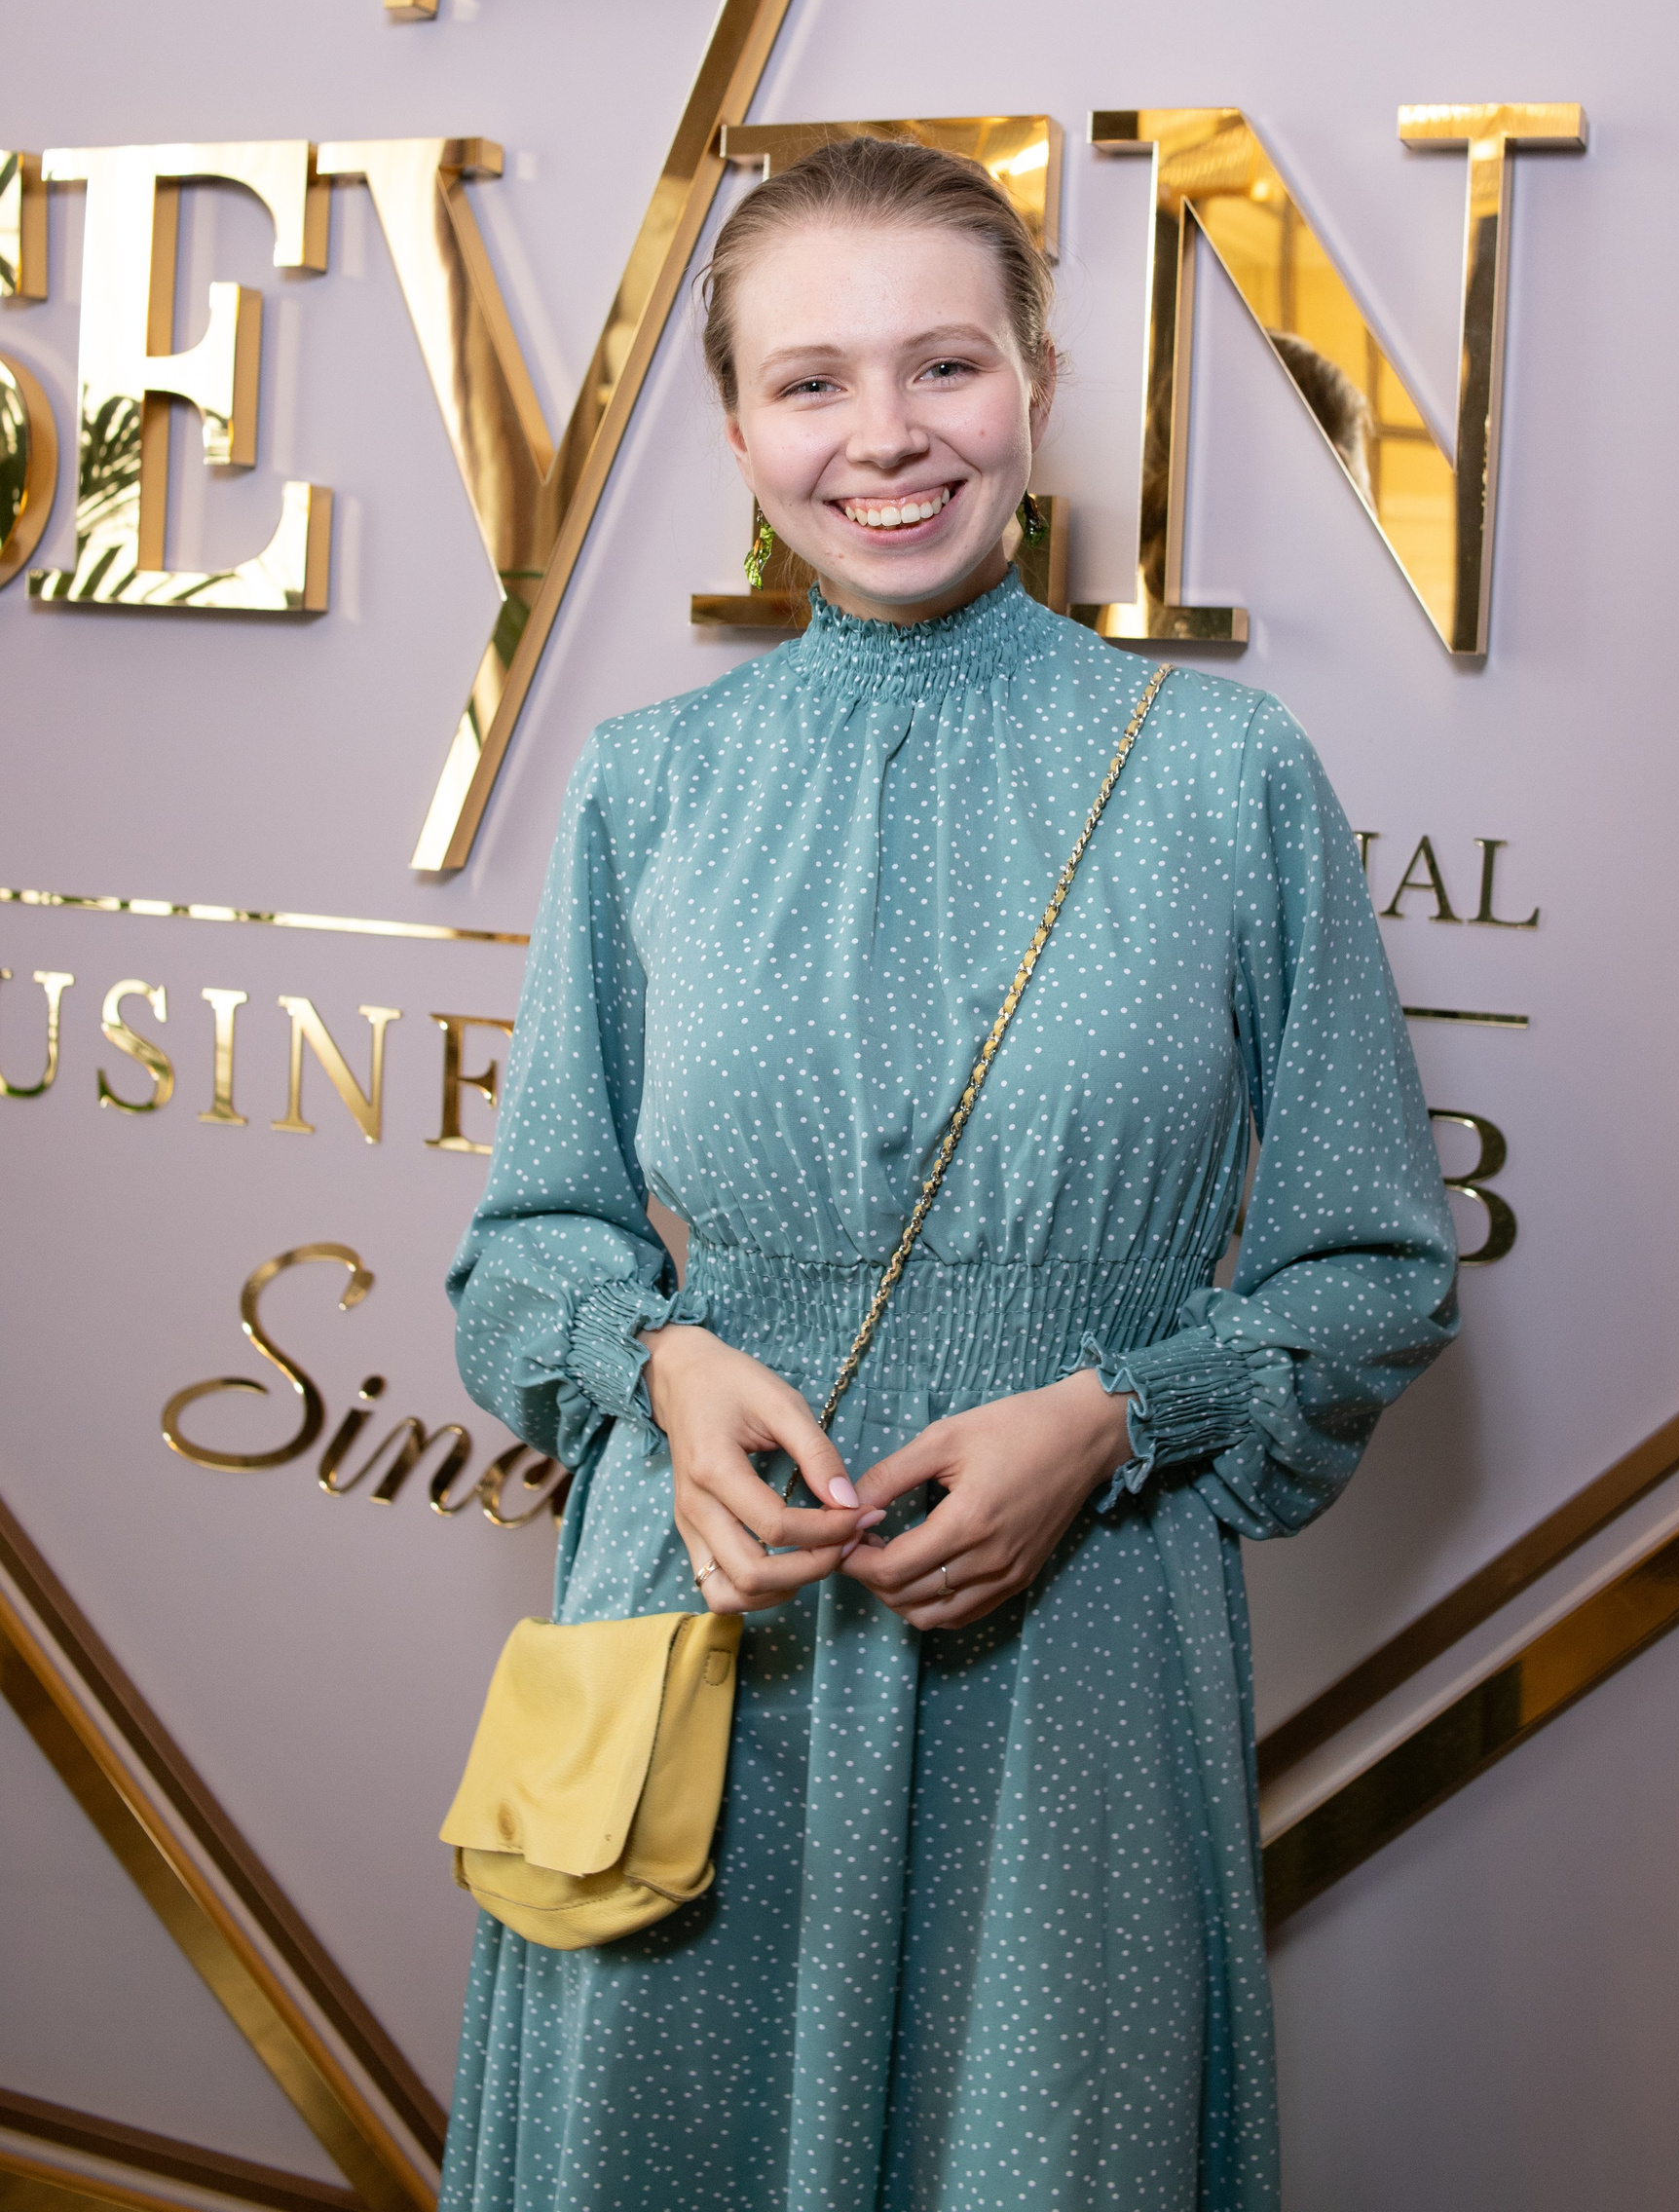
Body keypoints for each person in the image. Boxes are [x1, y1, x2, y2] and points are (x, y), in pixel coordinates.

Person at [440, 137, 1459, 2212]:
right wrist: (662, 1372)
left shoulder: (1226, 772)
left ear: (1036, 387)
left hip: (1074, 1658)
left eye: (945, 365)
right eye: (810, 381)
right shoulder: (649, 786)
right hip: (702, 1632)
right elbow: (526, 1253)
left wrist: (1115, 1416)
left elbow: (1374, 1268)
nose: (885, 437)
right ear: (739, 430)